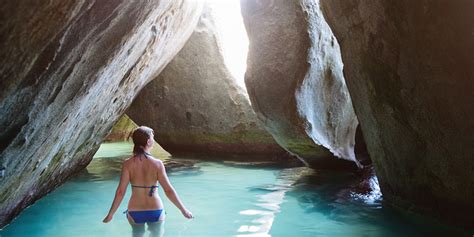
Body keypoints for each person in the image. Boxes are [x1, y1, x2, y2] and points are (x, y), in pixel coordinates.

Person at [103, 126, 193, 236]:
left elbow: (120, 192)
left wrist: (110, 214)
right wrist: (184, 210)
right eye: (153, 138)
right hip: (155, 210)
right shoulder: (157, 164)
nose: (154, 141)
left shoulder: (127, 164)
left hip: (135, 211)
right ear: (148, 141)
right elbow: (168, 190)